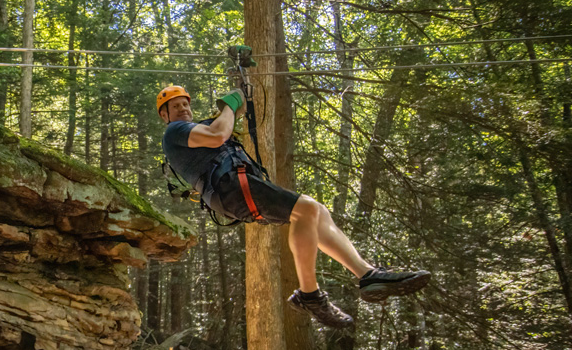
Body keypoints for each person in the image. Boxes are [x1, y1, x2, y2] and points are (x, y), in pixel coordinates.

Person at [157, 84, 430, 328]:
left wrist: (238, 93)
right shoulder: (174, 132)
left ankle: (367, 274)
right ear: (165, 115)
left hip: (234, 188)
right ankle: (309, 294)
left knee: (316, 212)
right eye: (175, 106)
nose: (183, 109)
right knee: (307, 210)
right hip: (230, 187)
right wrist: (230, 103)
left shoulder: (195, 129)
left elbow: (226, 123)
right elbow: (218, 134)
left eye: (185, 104)